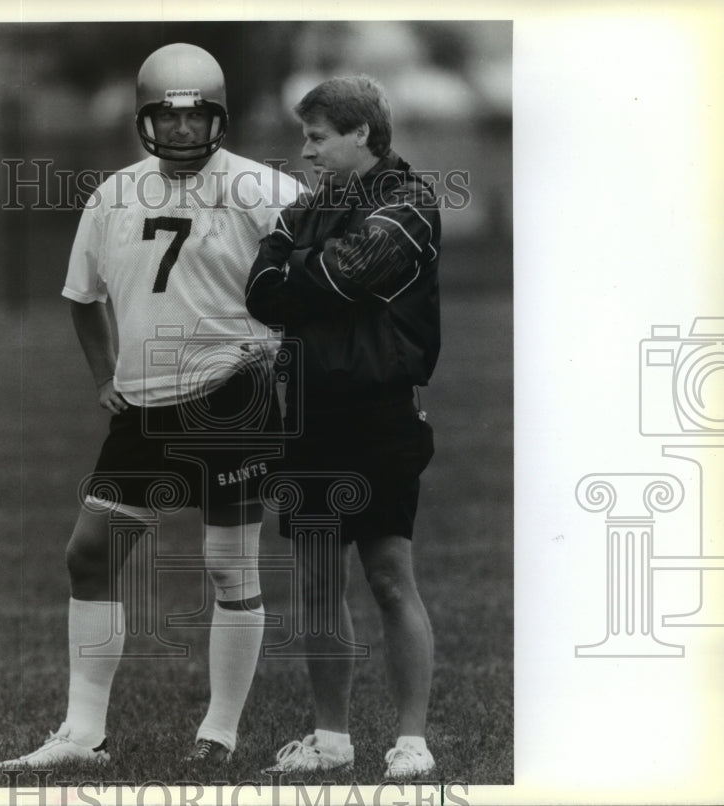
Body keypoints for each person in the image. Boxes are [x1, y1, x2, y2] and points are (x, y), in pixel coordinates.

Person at [0, 43, 303, 771]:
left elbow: (314, 287)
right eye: (168, 119)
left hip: (234, 396)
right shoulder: (113, 195)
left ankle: (219, 732)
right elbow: (81, 298)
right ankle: (83, 733)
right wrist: (106, 374)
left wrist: (282, 352)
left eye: (196, 119)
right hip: (142, 406)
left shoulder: (267, 191)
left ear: (219, 120)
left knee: (230, 568)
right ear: (145, 120)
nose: (182, 132)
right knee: (91, 554)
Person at [244, 75, 441, 780]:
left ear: (361, 132)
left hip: (380, 411)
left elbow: (338, 276)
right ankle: (331, 741)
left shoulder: (410, 202)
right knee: (319, 580)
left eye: (317, 137)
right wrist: (306, 274)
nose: (305, 151)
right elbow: (261, 292)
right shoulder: (307, 209)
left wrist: (302, 274)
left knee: (389, 577)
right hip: (308, 412)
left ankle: (411, 745)